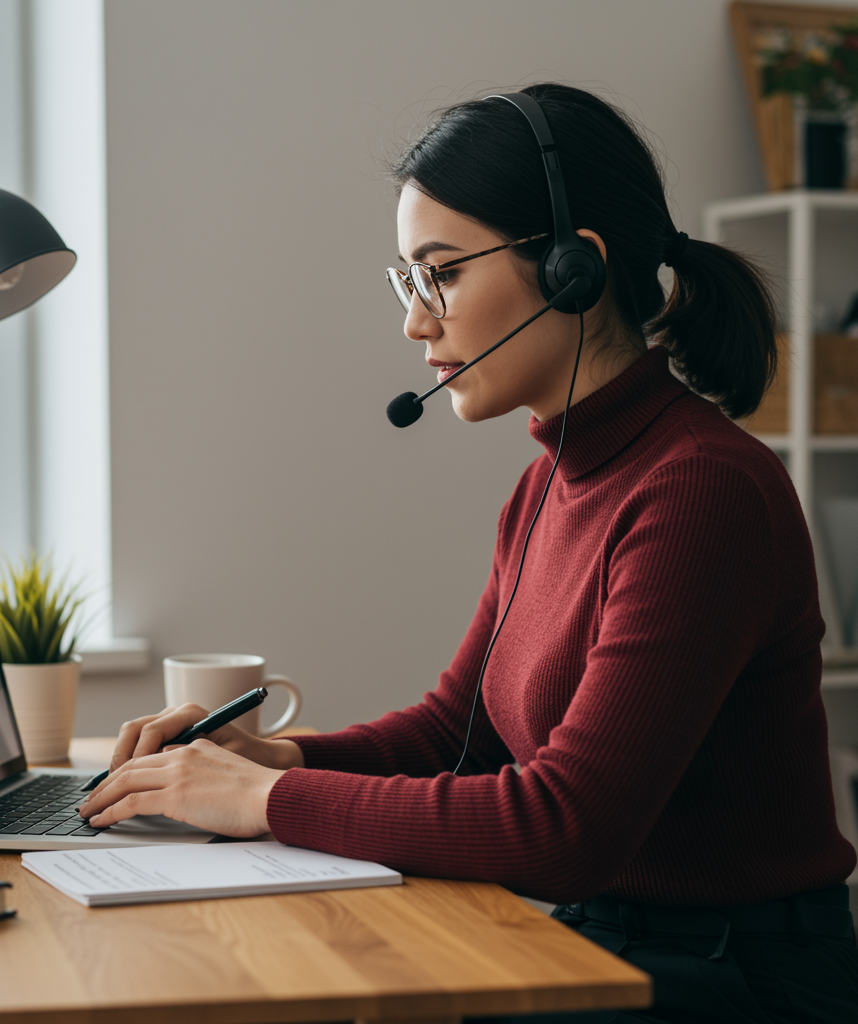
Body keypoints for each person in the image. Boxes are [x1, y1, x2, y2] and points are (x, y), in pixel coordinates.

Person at [77, 84, 858, 1022]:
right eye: (408, 280)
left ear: (574, 270)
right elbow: (459, 733)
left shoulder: (700, 492)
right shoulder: (549, 483)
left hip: (732, 981)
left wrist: (262, 802)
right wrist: (270, 756)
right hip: (609, 940)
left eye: (440, 274)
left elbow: (565, 827)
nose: (416, 321)